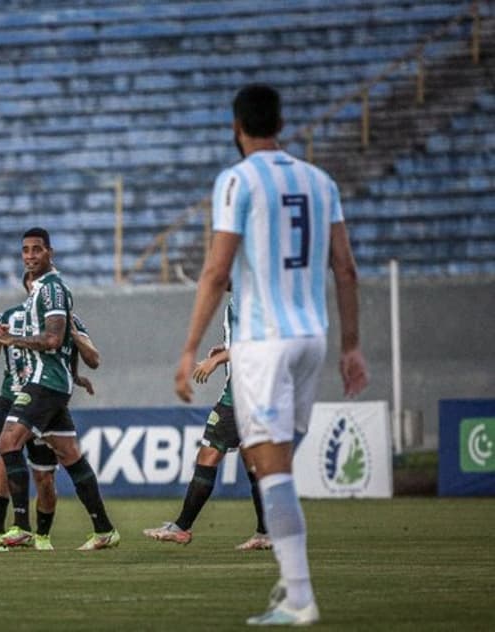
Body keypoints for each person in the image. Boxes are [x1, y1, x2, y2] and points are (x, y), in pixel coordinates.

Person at [174, 85, 368, 626]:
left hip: (264, 343)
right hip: (314, 339)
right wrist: (352, 345)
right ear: (281, 123)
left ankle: (300, 596)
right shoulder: (320, 181)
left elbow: (216, 271)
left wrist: (190, 348)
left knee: (270, 468)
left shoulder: (236, 180)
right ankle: (291, 578)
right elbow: (346, 268)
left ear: (237, 127)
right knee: (273, 462)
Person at [0, 227, 118, 551]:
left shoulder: (52, 290)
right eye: (25, 250)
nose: (30, 256)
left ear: (50, 252)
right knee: (70, 455)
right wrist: (75, 376)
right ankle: (104, 529)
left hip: (45, 383)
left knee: (8, 442)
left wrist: (12, 340)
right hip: (53, 381)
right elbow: (59, 344)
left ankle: (21, 525)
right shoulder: (40, 293)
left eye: (37, 249)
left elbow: (51, 340)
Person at [0, 274, 101, 552]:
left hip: (43, 400)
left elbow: (92, 358)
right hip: (12, 398)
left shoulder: (65, 319)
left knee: (45, 476)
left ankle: (41, 537)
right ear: (28, 287)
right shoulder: (9, 317)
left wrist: (74, 370)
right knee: (2, 462)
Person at [144, 295, 271, 550]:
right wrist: (224, 350)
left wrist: (217, 359)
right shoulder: (250, 296)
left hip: (240, 394)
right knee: (254, 462)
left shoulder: (248, 299)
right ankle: (266, 533)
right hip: (259, 391)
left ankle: (181, 527)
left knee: (208, 456)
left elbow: (257, 345)